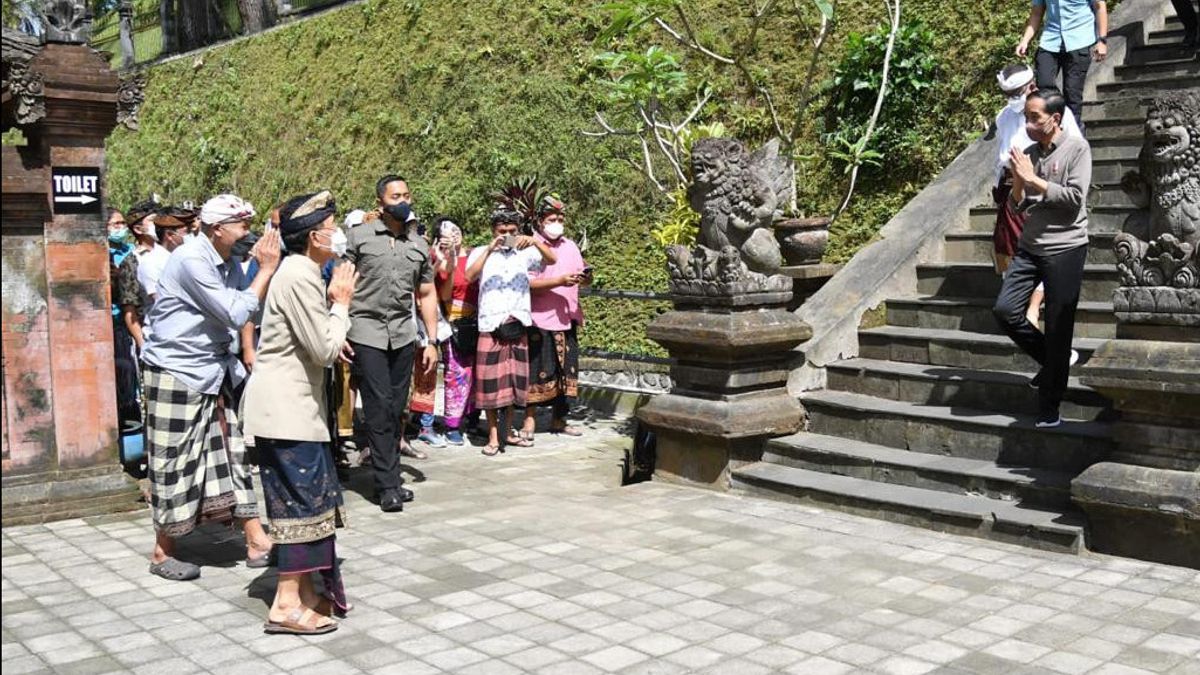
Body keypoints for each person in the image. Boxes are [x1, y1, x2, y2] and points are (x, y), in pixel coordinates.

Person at [140, 194, 281, 581]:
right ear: (218, 229)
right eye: (242, 226)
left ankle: (256, 540)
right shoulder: (191, 260)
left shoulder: (229, 263)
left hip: (214, 370)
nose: (248, 233)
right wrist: (265, 271)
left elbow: (242, 308)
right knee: (174, 461)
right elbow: (236, 311)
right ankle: (161, 552)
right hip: (175, 370)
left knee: (232, 453)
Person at [242, 190, 356, 636]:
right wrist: (341, 301)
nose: (337, 231)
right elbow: (323, 349)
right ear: (315, 235)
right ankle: (285, 603)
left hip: (294, 410)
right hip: (286, 412)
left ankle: (306, 591)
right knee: (300, 507)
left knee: (312, 503)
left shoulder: (302, 270)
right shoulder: (299, 275)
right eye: (332, 224)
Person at [992, 89, 1092, 429]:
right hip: (1031, 245)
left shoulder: (1077, 149)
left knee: (1059, 324)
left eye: (1035, 118)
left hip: (1066, 247)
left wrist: (1035, 179)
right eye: (1027, 118)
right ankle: (1055, 361)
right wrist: (1018, 181)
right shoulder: (1030, 153)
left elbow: (1074, 199)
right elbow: (1019, 205)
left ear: (1055, 118)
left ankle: (1050, 404)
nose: (1029, 124)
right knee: (1005, 311)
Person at [341, 175, 439, 513]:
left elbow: (426, 293)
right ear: (381, 202)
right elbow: (341, 286)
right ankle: (387, 485)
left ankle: (391, 476)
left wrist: (431, 340)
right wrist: (338, 328)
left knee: (397, 407)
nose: (403, 200)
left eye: (407, 195)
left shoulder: (418, 245)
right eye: (396, 195)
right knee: (379, 405)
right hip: (365, 331)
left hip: (402, 333)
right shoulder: (359, 238)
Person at [991, 66, 1082, 332]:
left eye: (1015, 93)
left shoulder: (1055, 113)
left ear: (1030, 87)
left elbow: (1072, 150)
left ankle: (1034, 308)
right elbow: (1002, 154)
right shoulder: (1005, 117)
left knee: (1041, 250)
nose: (1011, 99)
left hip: (1043, 185)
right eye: (1006, 94)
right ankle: (1019, 309)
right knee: (1010, 249)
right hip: (1011, 189)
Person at [466, 207, 557, 456]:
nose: (507, 235)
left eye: (512, 231)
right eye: (501, 231)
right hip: (490, 325)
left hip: (517, 323)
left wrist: (535, 242)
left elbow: (552, 260)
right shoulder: (480, 252)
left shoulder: (525, 252)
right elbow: (469, 275)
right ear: (493, 231)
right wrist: (489, 249)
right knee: (490, 386)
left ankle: (507, 432)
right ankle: (493, 436)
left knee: (514, 384)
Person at [521, 196, 589, 442]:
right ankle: (529, 419)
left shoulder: (571, 245)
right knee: (536, 370)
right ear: (540, 222)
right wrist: (559, 282)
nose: (557, 223)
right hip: (539, 318)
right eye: (551, 219)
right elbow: (528, 283)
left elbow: (582, 272)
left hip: (567, 315)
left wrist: (585, 277)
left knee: (566, 371)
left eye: (560, 219)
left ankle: (559, 419)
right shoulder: (531, 246)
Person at [410, 218, 479, 447]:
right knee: (426, 370)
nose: (453, 235)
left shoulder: (472, 257)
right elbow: (439, 291)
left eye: (456, 230)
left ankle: (454, 423)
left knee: (458, 374)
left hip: (461, 323)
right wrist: (444, 259)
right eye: (447, 232)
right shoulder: (429, 256)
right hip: (431, 320)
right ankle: (425, 423)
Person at [1015, 0, 1108, 130]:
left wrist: (1102, 41)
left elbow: (1099, 6)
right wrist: (1025, 41)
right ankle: (1055, 126)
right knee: (1044, 86)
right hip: (1050, 40)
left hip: (1079, 40)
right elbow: (1037, 13)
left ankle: (1075, 135)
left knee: (1072, 94)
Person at [106, 208, 140, 427]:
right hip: (112, 321)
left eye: (122, 224)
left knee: (129, 377)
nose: (121, 228)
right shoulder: (102, 253)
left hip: (127, 324)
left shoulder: (131, 252)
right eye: (115, 224)